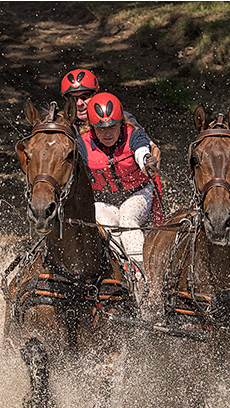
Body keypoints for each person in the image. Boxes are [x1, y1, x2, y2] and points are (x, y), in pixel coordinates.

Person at [79, 91, 163, 269]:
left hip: (138, 192)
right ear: (92, 128)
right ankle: (123, 271)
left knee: (127, 219)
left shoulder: (134, 134)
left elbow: (141, 151)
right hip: (103, 199)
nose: (107, 133)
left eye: (112, 127)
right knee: (106, 227)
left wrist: (146, 161)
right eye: (101, 128)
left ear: (121, 124)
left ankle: (141, 274)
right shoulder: (82, 144)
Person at [60, 67, 162, 167]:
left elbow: (146, 145)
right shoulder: (64, 126)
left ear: (96, 93)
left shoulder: (121, 117)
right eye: (73, 98)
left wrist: (146, 156)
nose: (79, 103)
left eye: (85, 97)